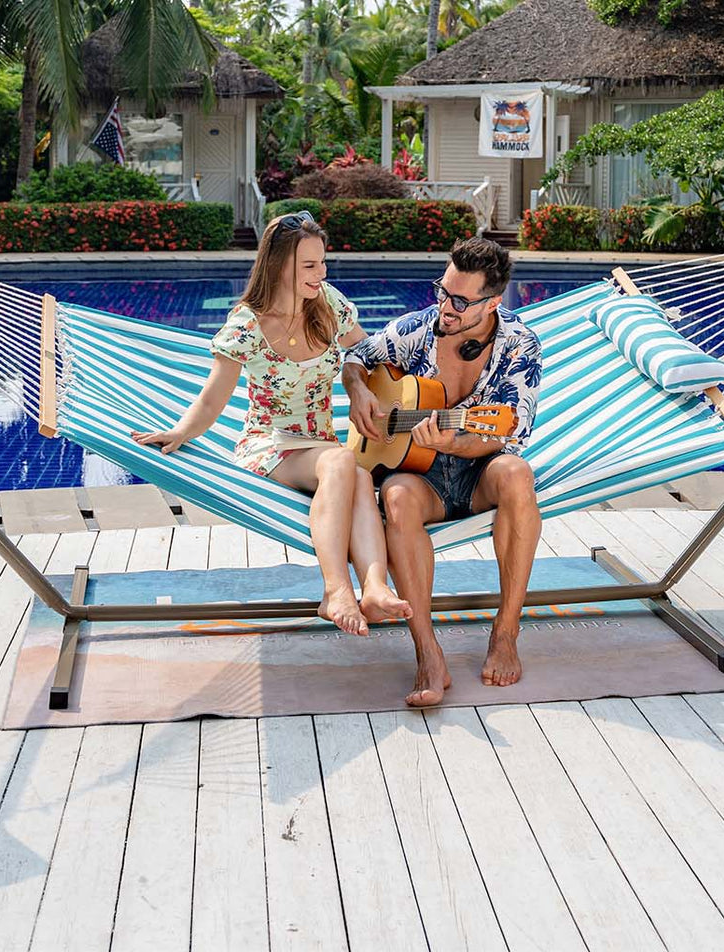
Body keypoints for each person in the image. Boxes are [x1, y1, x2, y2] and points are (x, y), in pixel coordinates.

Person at [132, 212, 411, 637]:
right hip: (269, 442)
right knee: (341, 464)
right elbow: (213, 397)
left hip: (321, 445)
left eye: (323, 263)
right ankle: (336, 591)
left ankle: (373, 588)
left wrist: (361, 387)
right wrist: (181, 431)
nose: (321, 274)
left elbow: (369, 354)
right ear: (279, 266)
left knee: (352, 471)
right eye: (309, 266)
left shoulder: (329, 305)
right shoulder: (247, 326)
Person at [342, 237, 543, 706]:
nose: (444, 307)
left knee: (516, 473)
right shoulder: (418, 329)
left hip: (480, 471)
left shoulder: (520, 344)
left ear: (493, 302)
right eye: (442, 290)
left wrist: (455, 441)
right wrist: (359, 392)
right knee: (395, 497)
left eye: (459, 301)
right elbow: (354, 359)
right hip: (420, 475)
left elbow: (506, 430)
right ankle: (427, 651)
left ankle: (506, 632)